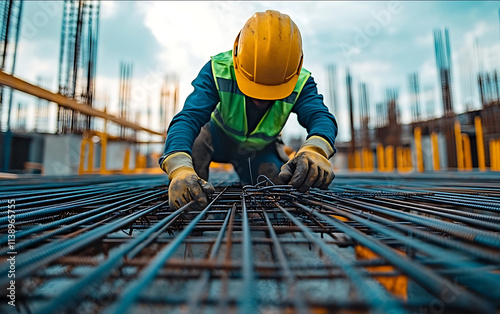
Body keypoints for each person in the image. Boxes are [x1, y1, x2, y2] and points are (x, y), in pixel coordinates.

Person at [159, 10, 338, 210]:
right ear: (237, 60)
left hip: (260, 151)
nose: (261, 98)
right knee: (198, 141)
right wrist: (179, 168)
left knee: (276, 188)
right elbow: (188, 118)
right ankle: (192, 206)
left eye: (272, 91)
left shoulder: (301, 82)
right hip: (219, 141)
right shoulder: (218, 70)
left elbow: (321, 117)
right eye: (255, 87)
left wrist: (316, 149)